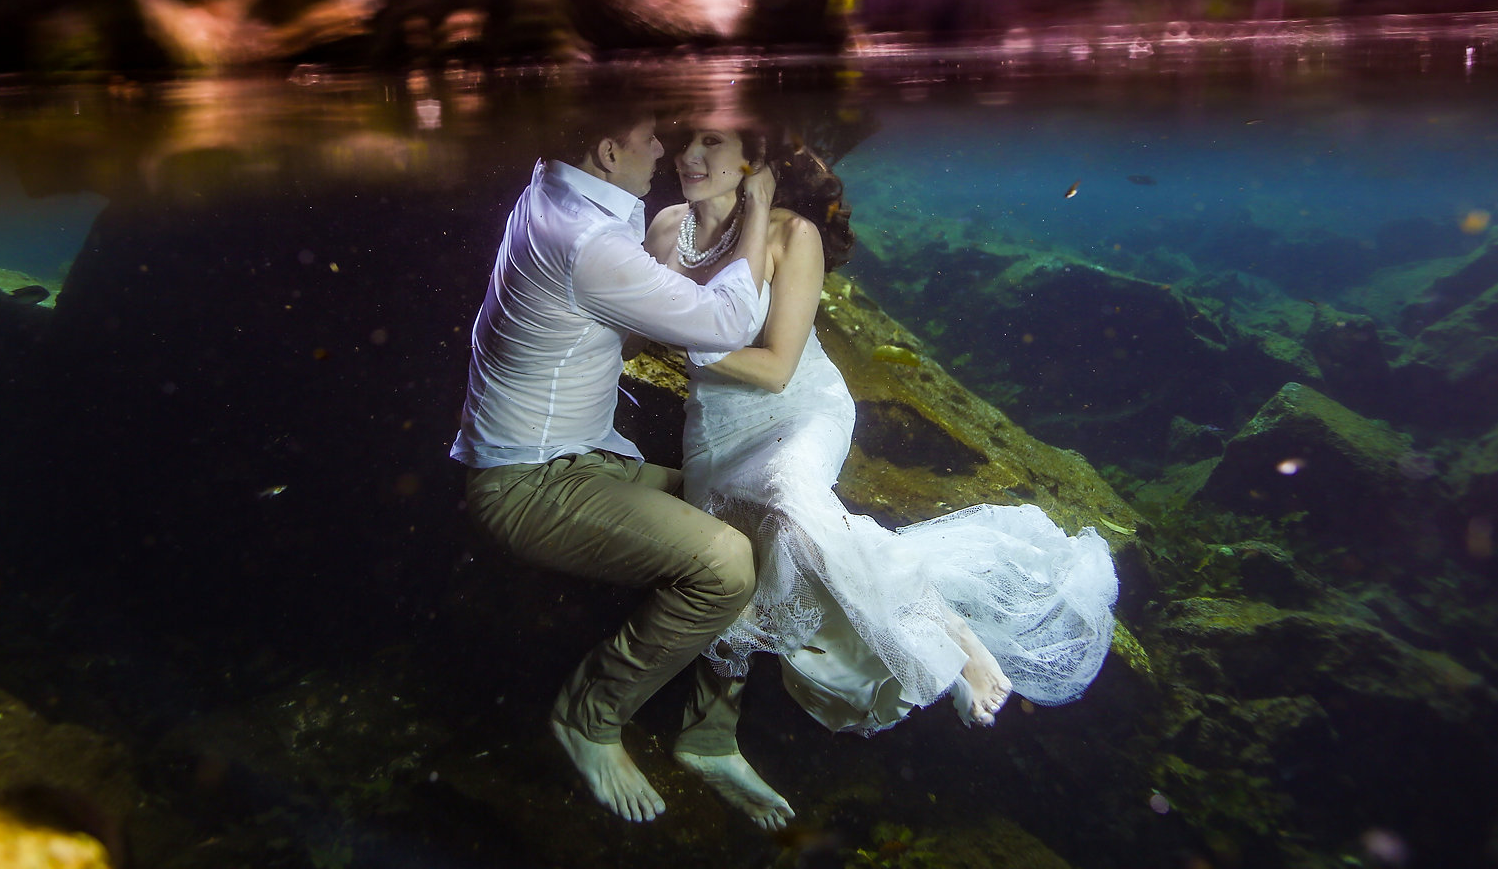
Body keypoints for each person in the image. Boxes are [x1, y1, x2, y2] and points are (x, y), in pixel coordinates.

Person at [643, 115, 1118, 790]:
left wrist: (681, 334)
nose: (689, 155)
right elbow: (629, 327)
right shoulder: (666, 230)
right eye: (686, 140)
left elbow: (777, 368)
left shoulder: (791, 233)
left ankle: (941, 644)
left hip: (799, 411)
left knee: (787, 498)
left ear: (754, 161)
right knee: (740, 569)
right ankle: (710, 738)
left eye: (711, 143)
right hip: (714, 428)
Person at [451, 96, 792, 826]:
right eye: (650, 138)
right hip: (530, 485)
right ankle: (588, 717)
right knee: (724, 562)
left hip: (587, 458)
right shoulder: (586, 240)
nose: (666, 151)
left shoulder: (555, 187)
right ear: (607, 153)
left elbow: (615, 315)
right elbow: (729, 322)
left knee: (765, 524)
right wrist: (757, 207)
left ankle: (708, 736)